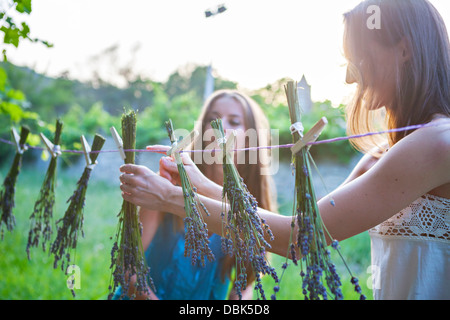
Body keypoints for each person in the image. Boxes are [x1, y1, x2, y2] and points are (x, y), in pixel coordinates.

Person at [119, 0, 450, 300]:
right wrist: (198, 185)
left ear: (403, 50)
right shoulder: (381, 155)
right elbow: (301, 228)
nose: (350, 78)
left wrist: (171, 198)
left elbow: (295, 239)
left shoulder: (438, 142)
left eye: (358, 59)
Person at [114, 89, 278, 300]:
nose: (221, 128)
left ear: (251, 139)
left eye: (234, 121)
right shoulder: (168, 182)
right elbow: (128, 267)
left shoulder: (251, 204)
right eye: (213, 119)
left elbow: (245, 284)